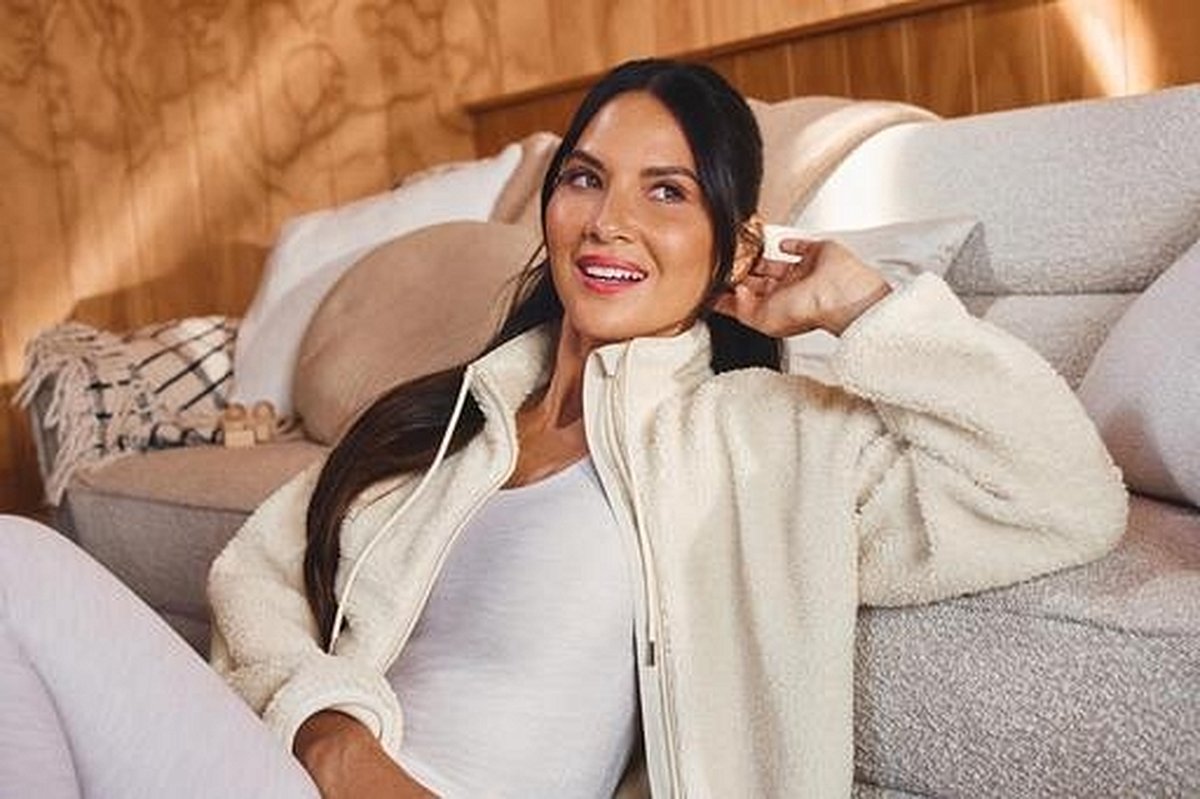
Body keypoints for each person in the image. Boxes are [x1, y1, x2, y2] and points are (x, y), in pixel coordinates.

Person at [0, 58, 1125, 798]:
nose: (609, 221)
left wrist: (866, 307)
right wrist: (329, 734)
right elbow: (257, 575)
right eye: (585, 179)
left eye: (668, 192)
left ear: (737, 245)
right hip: (304, 778)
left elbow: (1059, 493)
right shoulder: (445, 418)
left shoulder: (768, 445)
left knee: (17, 565)